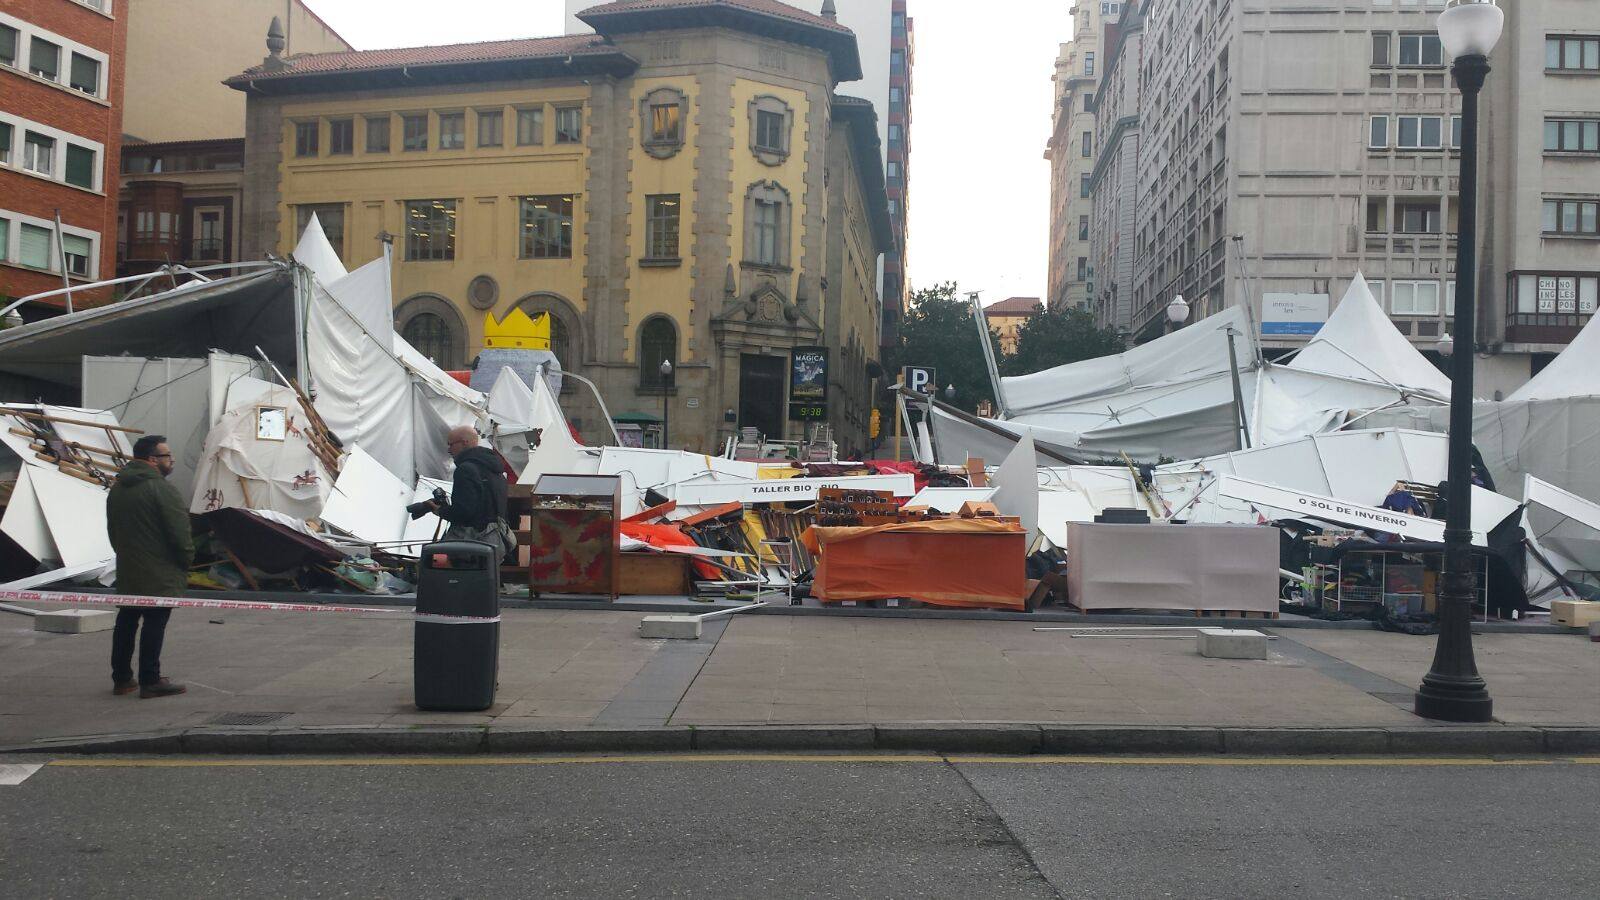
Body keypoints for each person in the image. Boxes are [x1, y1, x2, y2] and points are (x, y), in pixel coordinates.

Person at [106, 435, 193, 698]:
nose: (172, 460)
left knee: (127, 621)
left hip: (129, 566)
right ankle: (150, 680)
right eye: (168, 456)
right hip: (160, 571)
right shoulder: (162, 489)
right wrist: (187, 560)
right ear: (153, 460)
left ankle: (122, 679)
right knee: (155, 623)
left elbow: (113, 530)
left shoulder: (118, 487)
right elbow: (180, 533)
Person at [429, 426, 513, 565]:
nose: (449, 450)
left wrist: (439, 509)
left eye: (451, 444)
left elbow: (464, 512)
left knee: (435, 565)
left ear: (464, 442)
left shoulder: (465, 470)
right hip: (497, 541)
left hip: (472, 545)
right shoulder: (495, 469)